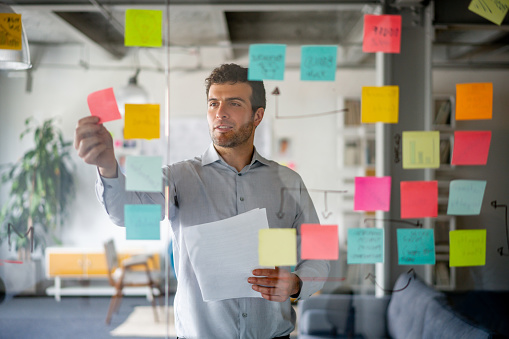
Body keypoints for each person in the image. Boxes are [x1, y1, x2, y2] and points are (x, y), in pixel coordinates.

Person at [74, 63, 330, 338]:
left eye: (233, 103)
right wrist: (108, 167)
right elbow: (125, 212)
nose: (220, 112)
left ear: (258, 116)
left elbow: (319, 255)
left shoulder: (290, 182)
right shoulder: (178, 176)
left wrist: (297, 283)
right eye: (213, 103)